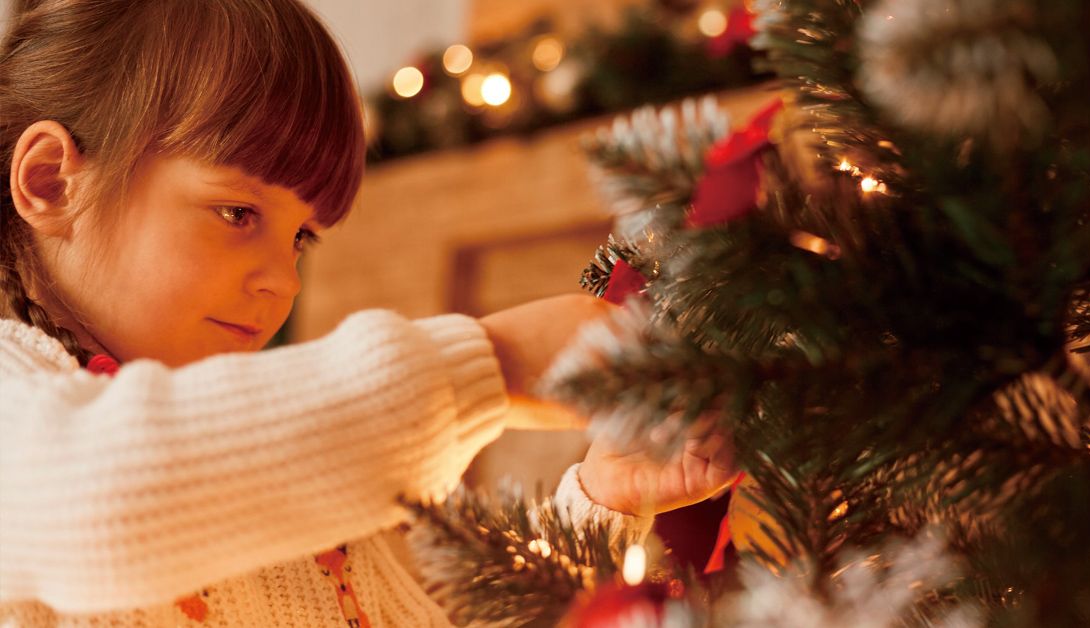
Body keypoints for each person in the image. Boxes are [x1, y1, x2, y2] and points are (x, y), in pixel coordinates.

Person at [0, 1, 737, 626]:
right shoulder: (20, 392)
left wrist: (604, 503)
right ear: (50, 182)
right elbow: (100, 498)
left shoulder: (284, 474)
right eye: (236, 212)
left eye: (300, 237)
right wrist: (495, 360)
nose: (283, 281)